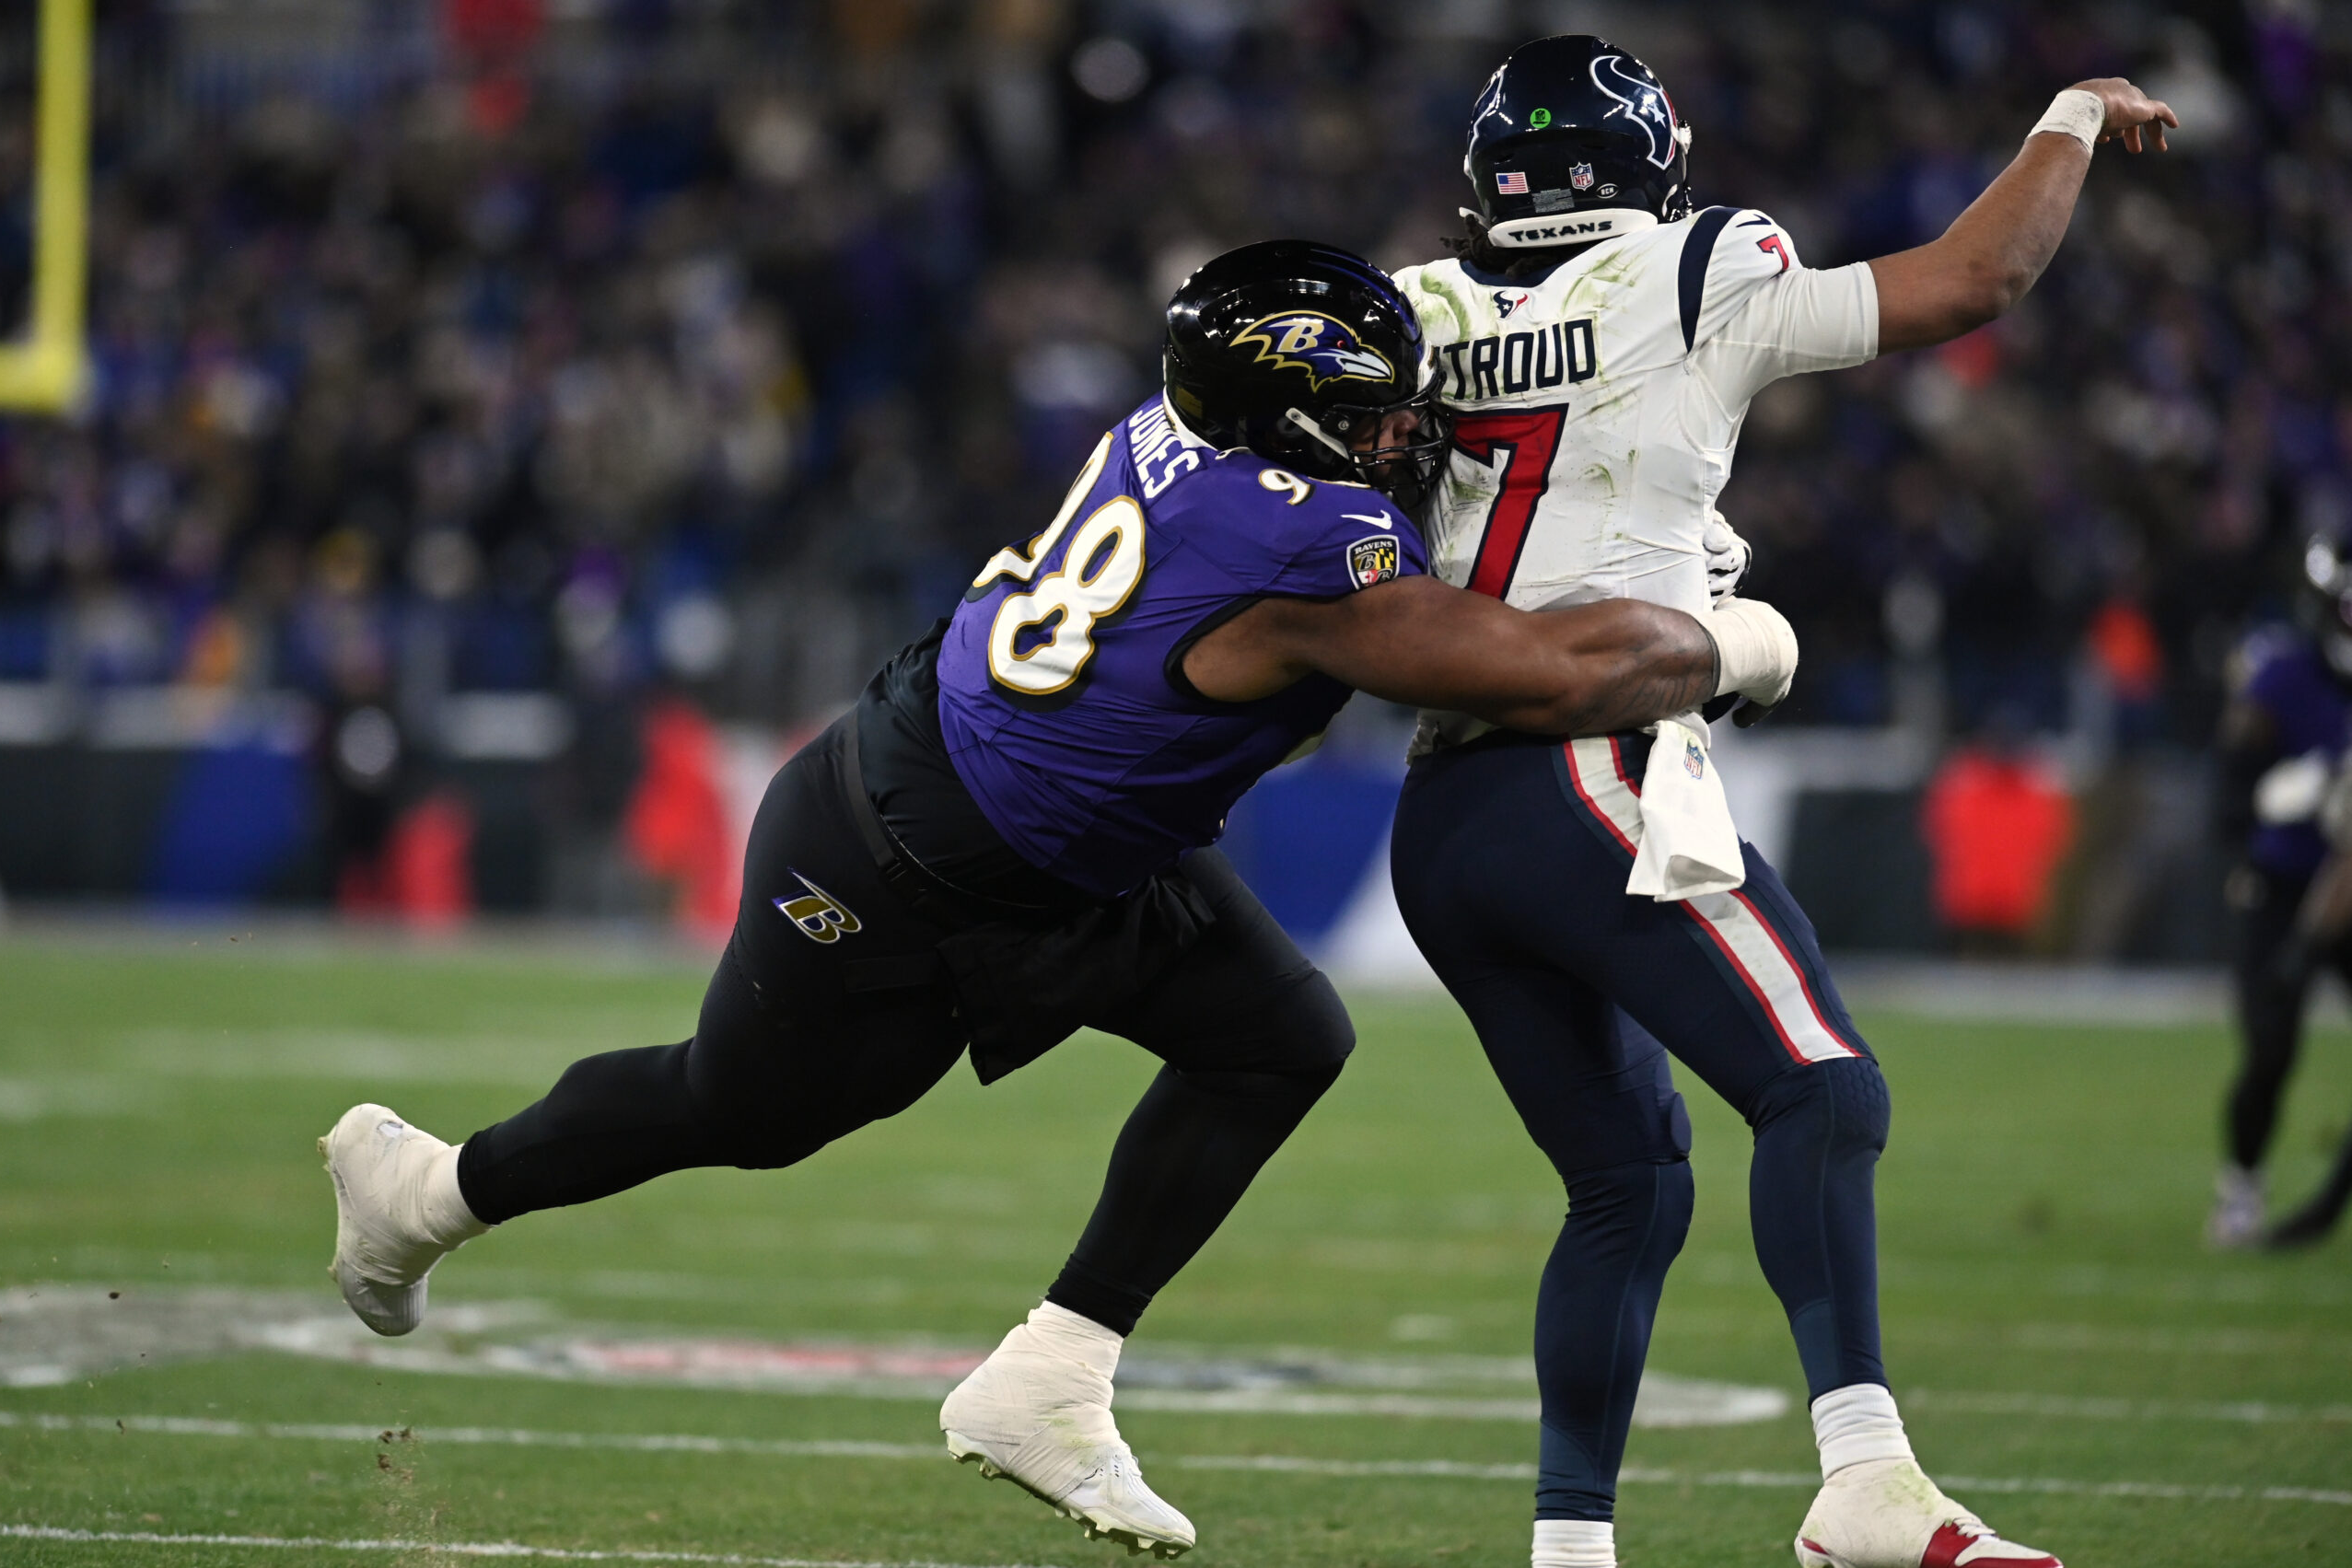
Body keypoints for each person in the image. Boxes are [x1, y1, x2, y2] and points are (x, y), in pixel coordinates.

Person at [320, 239, 1800, 1560]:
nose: (1402, 432)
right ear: (1291, 423)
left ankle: (1055, 1369)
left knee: (1280, 1034)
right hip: (893, 855)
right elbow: (1544, 670)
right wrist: (1731, 635)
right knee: (741, 1110)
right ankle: (428, 1193)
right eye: (1368, 414)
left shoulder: (1186, 430)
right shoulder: (1298, 550)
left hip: (1047, 841)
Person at [1385, 35, 2175, 1568]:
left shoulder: (1417, 309)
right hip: (1588, 767)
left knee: (1627, 1183)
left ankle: (1569, 1550)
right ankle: (1865, 1480)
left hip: (1444, 815)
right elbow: (1971, 282)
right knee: (1821, 1087)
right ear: (1654, 159)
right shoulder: (1698, 266)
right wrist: (2071, 116)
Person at [2212, 537, 2352, 1249]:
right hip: (2286, 884)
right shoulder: (2284, 678)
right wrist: (2295, 796)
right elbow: (2229, 802)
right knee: (2270, 1045)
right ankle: (2242, 1184)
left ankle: (2328, 1206)